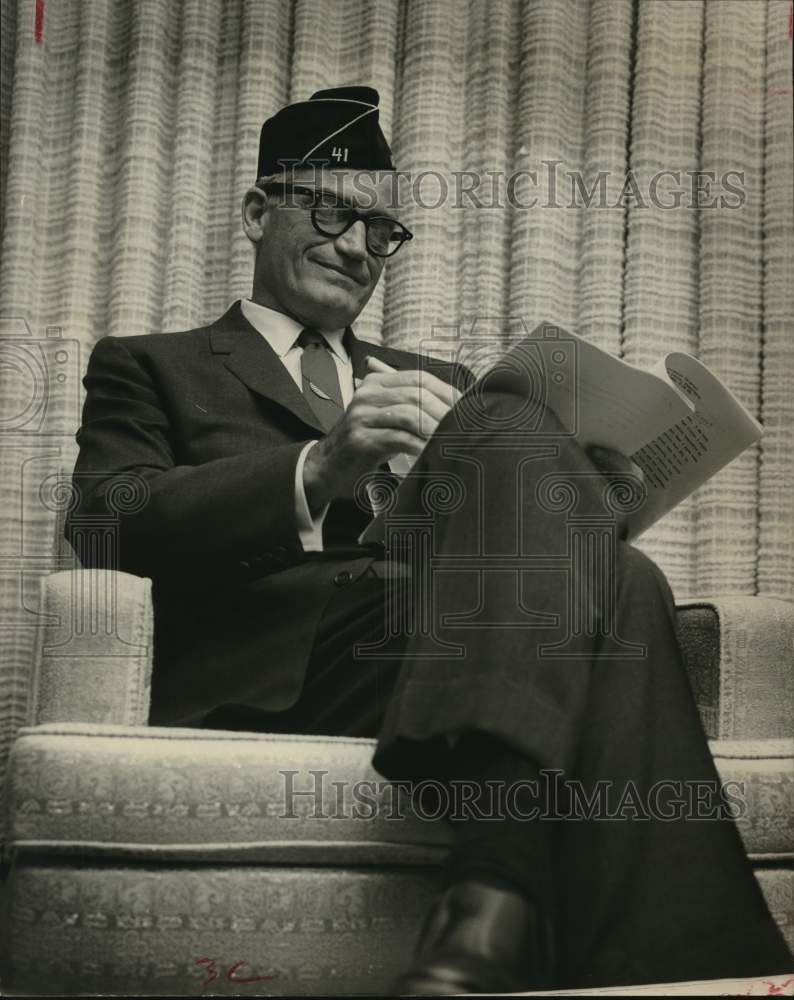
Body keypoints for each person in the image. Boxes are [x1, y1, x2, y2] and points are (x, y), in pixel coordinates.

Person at [66, 86, 792, 994]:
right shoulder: (151, 364)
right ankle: (650, 945)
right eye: (332, 212)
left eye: (380, 231)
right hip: (289, 663)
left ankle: (492, 910)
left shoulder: (433, 378)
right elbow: (105, 521)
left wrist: (597, 499)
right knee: (596, 548)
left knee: (623, 566)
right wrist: (319, 467)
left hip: (457, 638)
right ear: (257, 212)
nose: (356, 246)